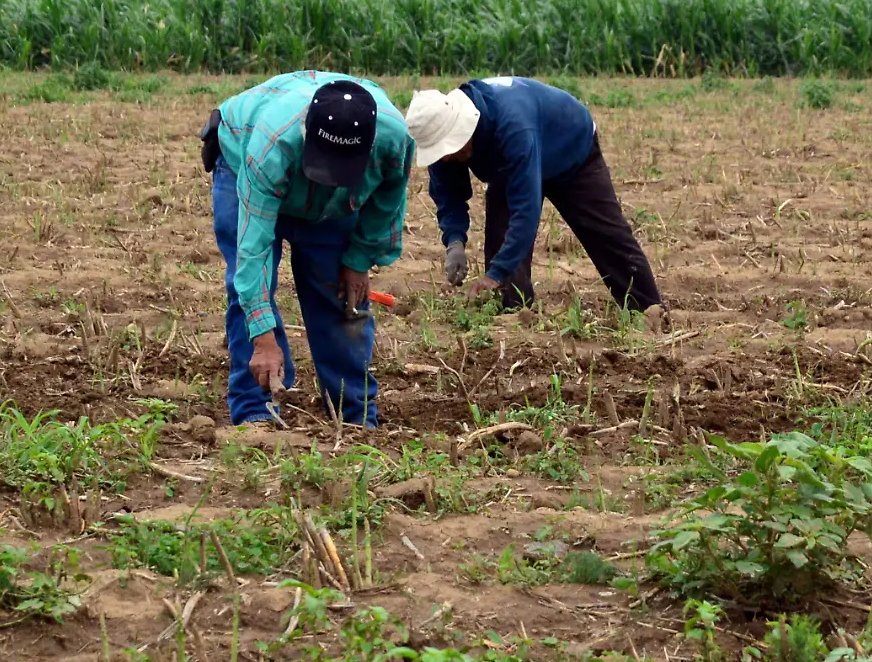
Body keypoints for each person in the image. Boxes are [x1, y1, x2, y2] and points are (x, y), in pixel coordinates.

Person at [201, 72, 412, 427]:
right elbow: (253, 258)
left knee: (339, 293)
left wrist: (359, 260)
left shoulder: (393, 140)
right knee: (251, 295)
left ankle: (355, 416)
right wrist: (264, 340)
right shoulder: (272, 148)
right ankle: (256, 412)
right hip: (243, 153)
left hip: (332, 206)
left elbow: (388, 202)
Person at [406, 77, 665, 322]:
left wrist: (494, 274)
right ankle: (514, 317)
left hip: (569, 149)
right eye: (442, 153)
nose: (447, 158)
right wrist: (454, 241)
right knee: (502, 245)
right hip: (511, 163)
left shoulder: (512, 127)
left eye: (450, 149)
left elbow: (525, 211)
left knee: (607, 235)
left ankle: (648, 311)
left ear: (463, 128)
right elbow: (448, 194)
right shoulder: (441, 140)